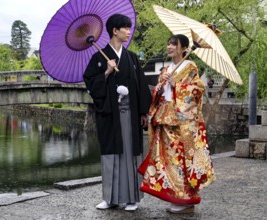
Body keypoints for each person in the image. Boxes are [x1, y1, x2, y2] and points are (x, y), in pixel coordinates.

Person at [138, 34, 215, 214]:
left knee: (180, 160)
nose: (169, 47)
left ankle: (186, 199)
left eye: (174, 44)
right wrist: (161, 86)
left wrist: (178, 86)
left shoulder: (190, 67)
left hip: (181, 121)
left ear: (183, 49)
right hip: (164, 117)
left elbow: (197, 90)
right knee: (166, 160)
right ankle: (175, 196)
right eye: (169, 43)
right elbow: (158, 93)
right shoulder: (166, 69)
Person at [83, 14, 151, 211]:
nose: (129, 32)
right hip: (110, 115)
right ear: (115, 31)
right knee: (111, 154)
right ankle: (110, 198)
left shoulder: (131, 58)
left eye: (129, 28)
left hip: (130, 114)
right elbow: (90, 82)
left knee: (130, 153)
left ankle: (132, 198)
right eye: (126, 28)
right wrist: (105, 72)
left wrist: (143, 113)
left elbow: (141, 86)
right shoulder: (98, 57)